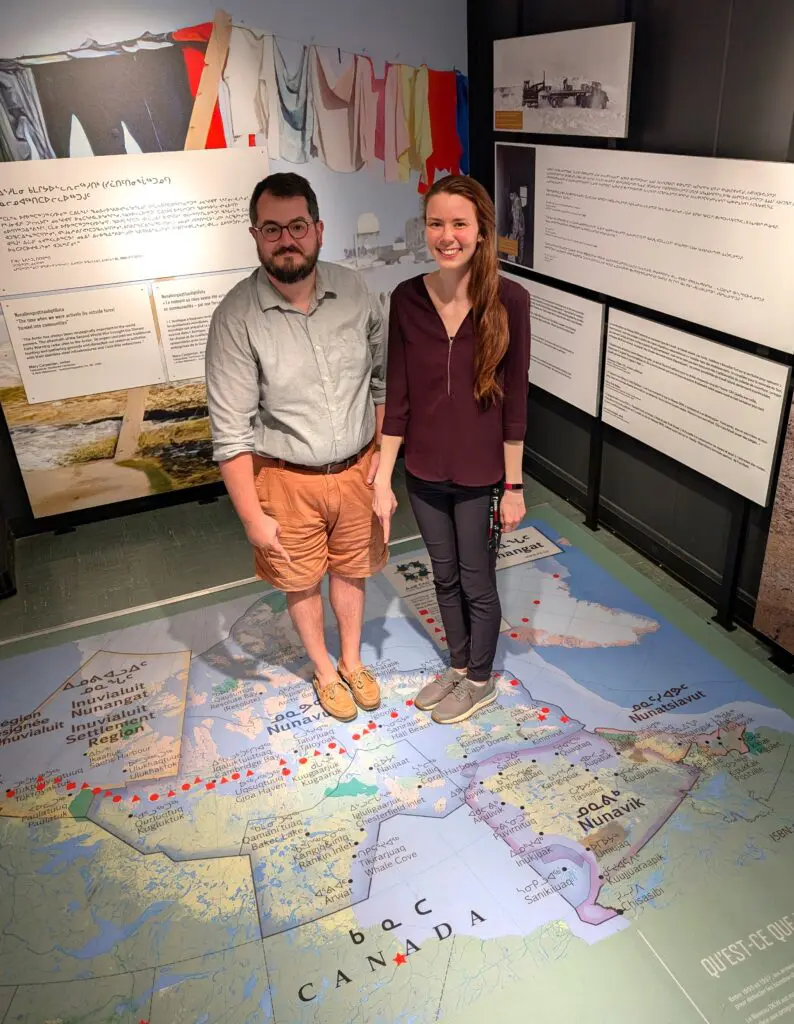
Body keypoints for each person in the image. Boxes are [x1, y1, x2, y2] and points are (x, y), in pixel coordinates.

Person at [205, 172, 387, 723]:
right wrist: (252, 519)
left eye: (298, 226)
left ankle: (352, 661)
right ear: (256, 235)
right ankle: (324, 670)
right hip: (285, 482)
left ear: (319, 229)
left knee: (351, 570)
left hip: (358, 471)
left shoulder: (355, 291)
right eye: (272, 228)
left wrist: (381, 459)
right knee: (301, 579)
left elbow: (381, 381)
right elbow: (231, 433)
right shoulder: (235, 319)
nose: (287, 239)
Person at [373, 174, 530, 725]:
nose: (447, 236)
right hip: (423, 472)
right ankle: (459, 666)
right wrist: (381, 480)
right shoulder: (405, 299)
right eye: (436, 223)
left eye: (459, 224)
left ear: (481, 231)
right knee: (442, 576)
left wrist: (513, 487)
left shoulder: (510, 300)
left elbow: (515, 408)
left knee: (476, 578)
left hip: (481, 475)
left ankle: (481, 680)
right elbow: (397, 400)